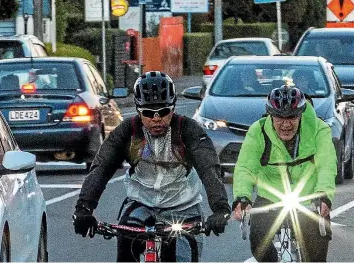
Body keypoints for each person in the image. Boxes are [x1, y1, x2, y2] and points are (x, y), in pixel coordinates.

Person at [72, 71, 231, 262]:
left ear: (173, 108)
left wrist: (220, 208)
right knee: (126, 246)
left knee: (183, 256)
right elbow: (102, 167)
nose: (156, 119)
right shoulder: (127, 132)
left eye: (163, 112)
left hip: (183, 208)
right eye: (148, 113)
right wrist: (84, 208)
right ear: (138, 111)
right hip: (141, 203)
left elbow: (209, 167)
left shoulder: (188, 130)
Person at [232, 85, 335, 262]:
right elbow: (245, 167)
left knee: (317, 254)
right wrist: (242, 197)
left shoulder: (319, 129)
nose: (286, 124)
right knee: (258, 243)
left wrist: (324, 194)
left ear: (301, 114)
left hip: (309, 198)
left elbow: (327, 165)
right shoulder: (258, 131)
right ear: (270, 115)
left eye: (292, 117)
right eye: (279, 117)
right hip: (270, 197)